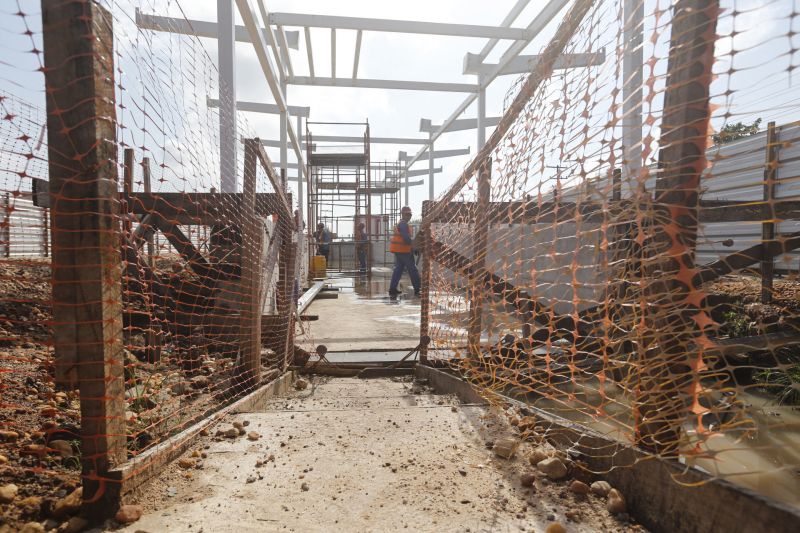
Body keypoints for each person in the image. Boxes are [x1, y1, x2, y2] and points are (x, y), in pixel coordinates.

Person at [389, 206, 420, 297]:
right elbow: (406, 238)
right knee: (413, 270)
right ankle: (417, 290)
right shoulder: (403, 224)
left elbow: (406, 238)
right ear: (402, 215)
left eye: (410, 214)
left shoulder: (402, 223)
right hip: (404, 252)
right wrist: (414, 247)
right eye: (407, 214)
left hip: (400, 251)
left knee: (398, 269)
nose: (409, 216)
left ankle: (392, 289)